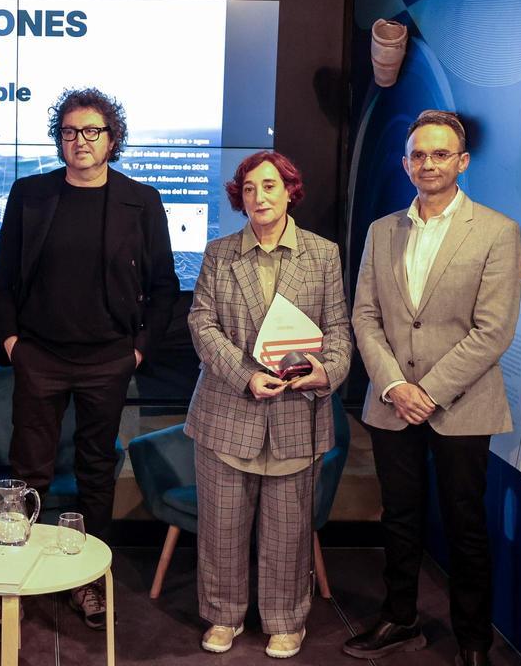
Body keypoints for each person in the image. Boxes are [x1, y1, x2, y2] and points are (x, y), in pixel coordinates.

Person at [0, 87, 179, 637]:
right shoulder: (31, 194)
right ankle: (13, 582)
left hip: (108, 359)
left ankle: (87, 582)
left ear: (111, 138)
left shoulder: (141, 200)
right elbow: (3, 278)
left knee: (96, 471)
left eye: (92, 131)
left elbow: (163, 286)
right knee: (28, 473)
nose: (80, 141)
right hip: (38, 355)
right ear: (60, 138)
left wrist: (138, 350)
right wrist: (13, 343)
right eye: (70, 131)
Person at [346, 110, 521, 666]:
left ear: (462, 162)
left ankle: (473, 640)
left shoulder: (497, 231)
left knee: (465, 524)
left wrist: (430, 391)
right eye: (419, 155)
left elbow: (493, 330)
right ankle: (400, 618)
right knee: (398, 517)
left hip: (462, 406)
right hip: (392, 401)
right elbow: (365, 316)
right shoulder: (382, 231)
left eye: (441, 154)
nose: (428, 164)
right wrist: (397, 385)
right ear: (405, 163)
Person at [184, 151, 352, 659]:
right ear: (240, 197)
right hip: (228, 410)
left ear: (289, 191)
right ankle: (222, 615)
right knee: (221, 525)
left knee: (288, 528)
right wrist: (245, 376)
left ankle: (285, 620)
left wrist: (327, 373)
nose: (260, 196)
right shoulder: (218, 253)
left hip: (296, 412)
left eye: (270, 186)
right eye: (250, 188)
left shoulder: (323, 254)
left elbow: (340, 330)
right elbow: (201, 324)